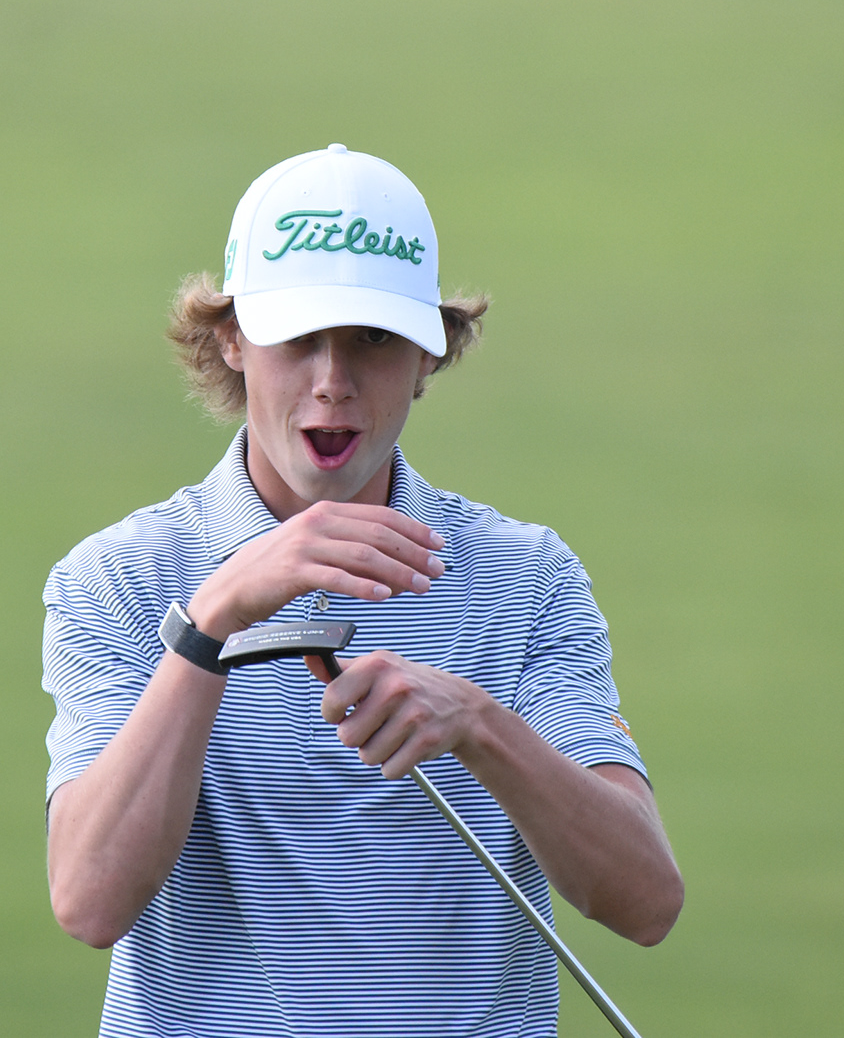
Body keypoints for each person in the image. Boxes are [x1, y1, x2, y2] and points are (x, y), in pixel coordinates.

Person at [42, 145, 683, 1037]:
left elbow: (645, 899)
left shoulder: (528, 576)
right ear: (232, 340)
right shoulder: (116, 577)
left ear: (427, 355)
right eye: (299, 337)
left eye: (373, 339)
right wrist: (211, 622)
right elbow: (89, 898)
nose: (332, 382)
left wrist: (479, 724)